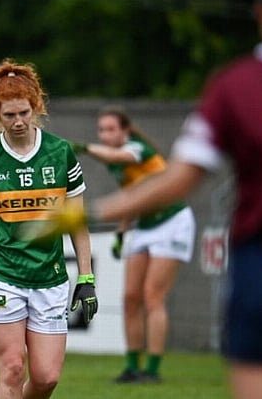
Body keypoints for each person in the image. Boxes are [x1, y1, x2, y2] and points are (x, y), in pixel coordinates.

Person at [45, 0, 262, 399]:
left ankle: (147, 366)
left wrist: (83, 214)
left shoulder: (236, 85)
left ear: (261, 12)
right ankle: (139, 365)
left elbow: (177, 181)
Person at [0, 59, 98, 399]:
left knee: (46, 378)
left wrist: (86, 277)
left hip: (49, 276)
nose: (18, 121)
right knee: (12, 367)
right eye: (9, 115)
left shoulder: (61, 153)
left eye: (24, 112)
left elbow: (77, 223)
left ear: (35, 106)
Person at [71, 107, 196, 383]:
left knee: (153, 296)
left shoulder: (136, 149)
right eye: (101, 130)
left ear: (125, 131)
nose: (105, 135)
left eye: (111, 129)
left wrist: (83, 147)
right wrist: (120, 233)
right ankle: (132, 367)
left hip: (172, 221)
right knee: (130, 298)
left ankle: (152, 370)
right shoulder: (114, 163)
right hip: (145, 225)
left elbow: (117, 154)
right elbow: (133, 198)